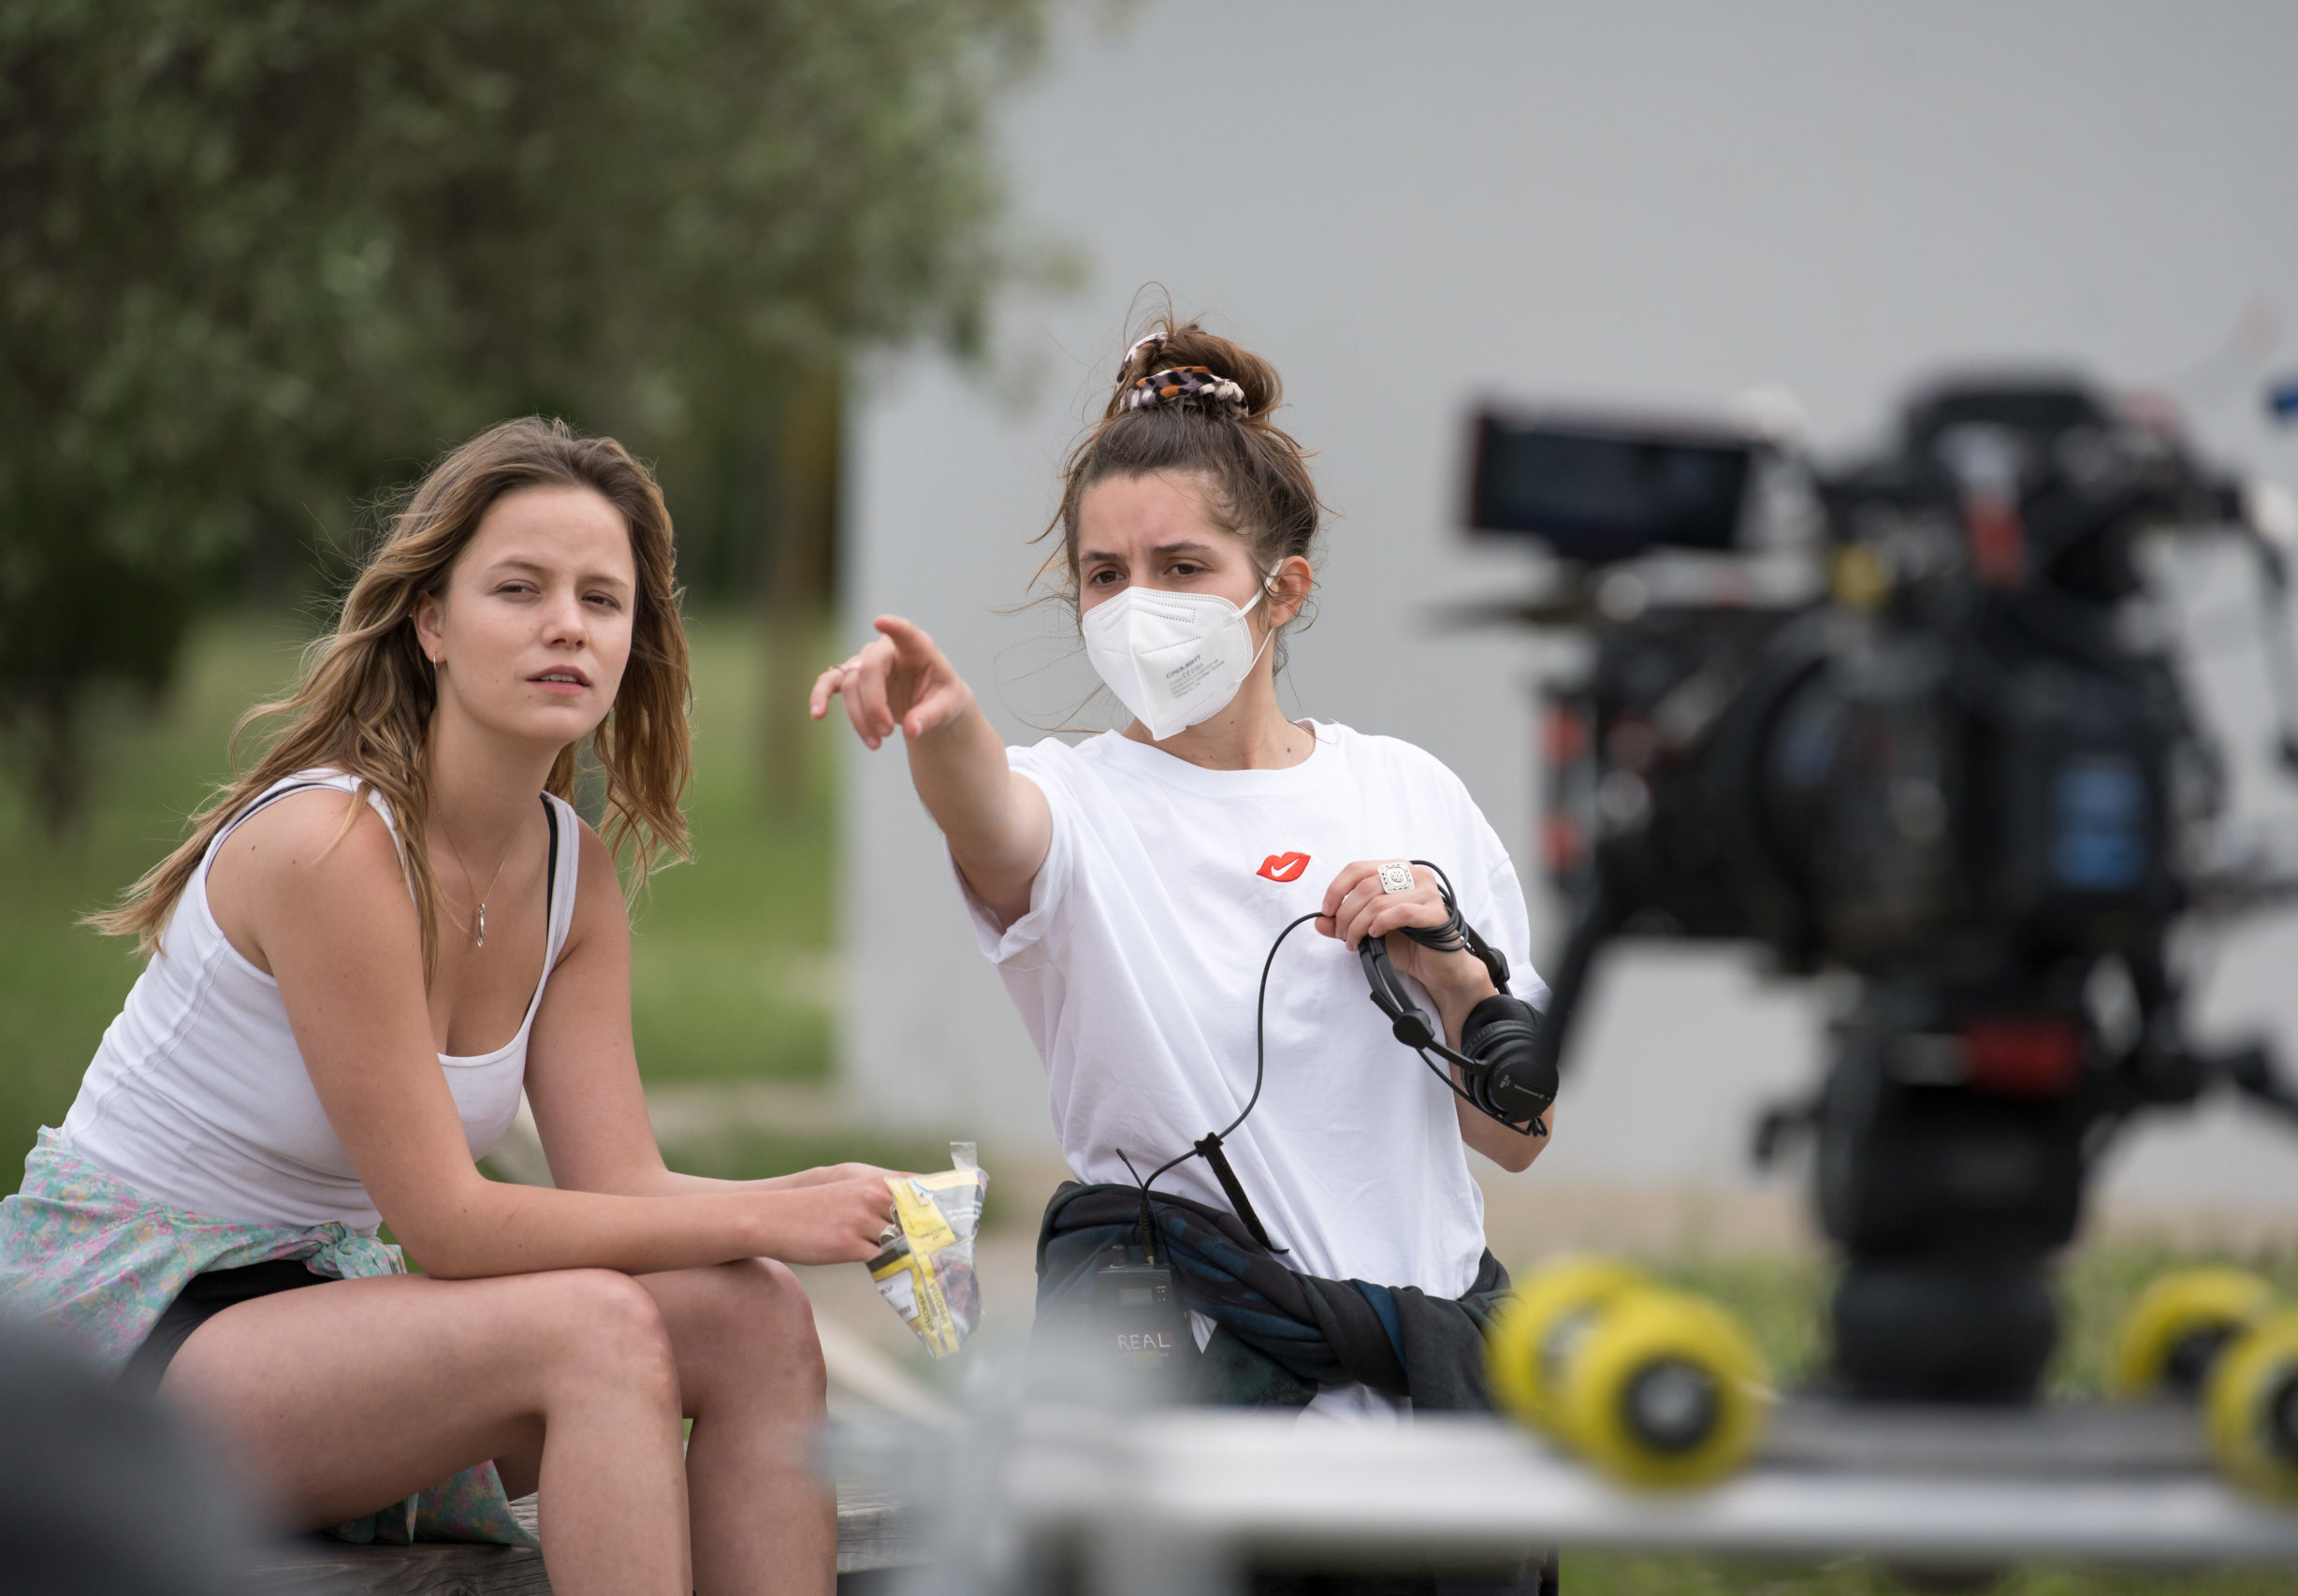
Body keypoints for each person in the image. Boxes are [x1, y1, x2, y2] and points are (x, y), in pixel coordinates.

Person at [0, 418, 901, 1596]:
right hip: (128, 1332)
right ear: (431, 621)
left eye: (601, 598)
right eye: (518, 588)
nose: (566, 624)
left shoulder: (569, 875)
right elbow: (450, 1226)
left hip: (330, 1316)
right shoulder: (332, 844)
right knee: (592, 1330)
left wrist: (802, 1206)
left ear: (636, 639)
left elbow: (619, 1183)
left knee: (757, 1318)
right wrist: (770, 1211)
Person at [814, 314, 1559, 1401]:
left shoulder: (1409, 791)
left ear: (1283, 590)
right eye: (1105, 574)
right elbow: (990, 820)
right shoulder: (1073, 802)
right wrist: (945, 716)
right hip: (1197, 1406)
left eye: (1182, 567)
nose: (1138, 607)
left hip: (1428, 1395)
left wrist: (1454, 978)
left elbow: (1519, 1137)